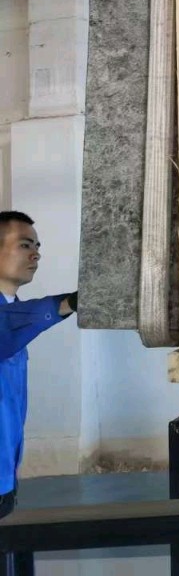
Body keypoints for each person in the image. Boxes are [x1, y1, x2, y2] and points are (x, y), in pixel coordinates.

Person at [0, 211, 77, 519]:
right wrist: (71, 303)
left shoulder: (15, 313)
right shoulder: (13, 320)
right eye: (24, 245)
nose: (36, 254)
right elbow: (6, 327)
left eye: (37, 246)